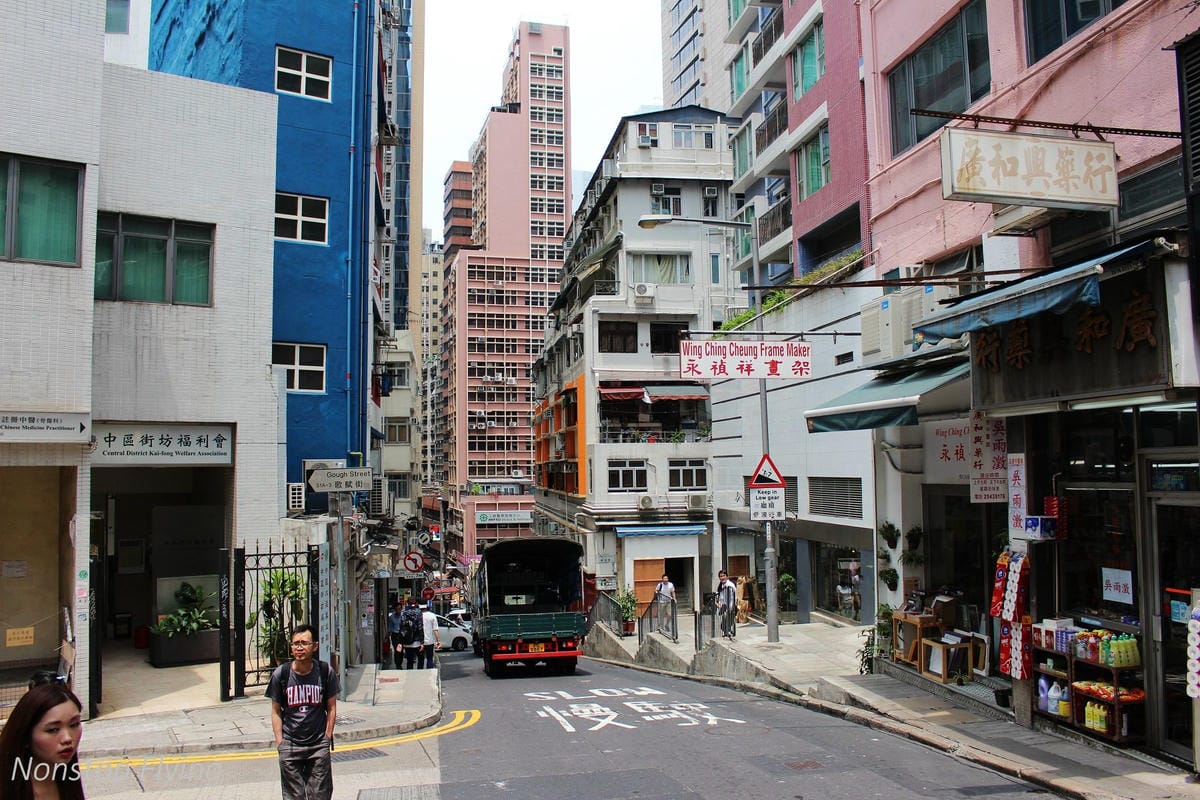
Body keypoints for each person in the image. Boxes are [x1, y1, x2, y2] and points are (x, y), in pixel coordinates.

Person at [265, 624, 340, 800]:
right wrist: (280, 743)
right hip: (290, 745)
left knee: (320, 795)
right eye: (295, 643)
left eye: (304, 643)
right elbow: (275, 711)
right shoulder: (281, 674)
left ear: (315, 646)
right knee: (294, 796)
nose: (299, 648)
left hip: (318, 746)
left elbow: (331, 707)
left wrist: (327, 737)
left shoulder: (325, 672)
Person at [0, 682, 86, 800]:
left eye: (74, 724)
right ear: (26, 735)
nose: (67, 738)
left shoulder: (67, 782)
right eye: (53, 730)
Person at [399, 599, 424, 670]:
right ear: (416, 604)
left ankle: (410, 674)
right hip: (417, 641)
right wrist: (422, 642)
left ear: (407, 603)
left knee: (409, 661)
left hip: (407, 641)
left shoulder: (404, 612)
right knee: (420, 659)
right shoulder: (418, 612)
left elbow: (401, 627)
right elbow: (420, 627)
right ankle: (419, 673)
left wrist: (401, 641)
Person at [716, 570, 738, 640]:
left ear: (727, 576)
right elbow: (720, 596)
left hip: (730, 607)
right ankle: (727, 633)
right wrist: (718, 603)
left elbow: (732, 598)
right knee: (724, 623)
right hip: (723, 606)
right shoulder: (721, 585)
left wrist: (730, 609)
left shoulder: (730, 585)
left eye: (723, 576)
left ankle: (728, 634)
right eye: (720, 576)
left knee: (727, 622)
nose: (722, 577)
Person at [420, 603, 440, 668]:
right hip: (429, 641)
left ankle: (419, 672)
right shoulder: (432, 615)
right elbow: (435, 629)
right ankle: (429, 672)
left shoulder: (418, 615)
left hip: (420, 642)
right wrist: (438, 641)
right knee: (430, 659)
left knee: (420, 660)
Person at [386, 601, 405, 669]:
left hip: (402, 635)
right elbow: (390, 628)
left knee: (401, 650)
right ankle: (398, 665)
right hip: (395, 635)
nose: (398, 611)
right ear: (395, 609)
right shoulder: (392, 617)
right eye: (397, 609)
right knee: (397, 650)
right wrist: (388, 636)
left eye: (399, 609)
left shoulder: (403, 616)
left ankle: (400, 663)